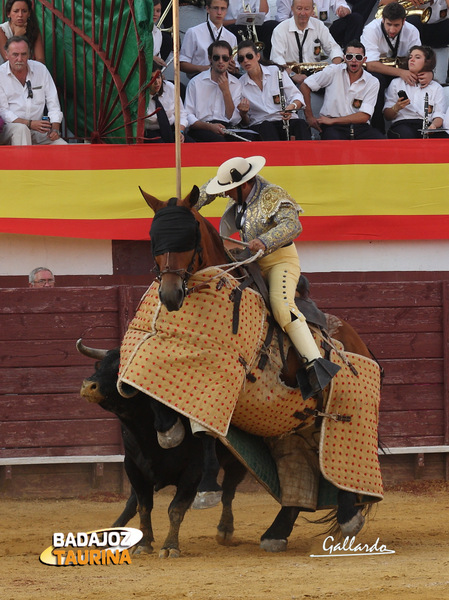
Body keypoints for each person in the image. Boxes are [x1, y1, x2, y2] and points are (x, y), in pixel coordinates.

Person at [197, 155, 340, 400]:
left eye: (230, 191)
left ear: (244, 185)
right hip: (246, 260)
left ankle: (316, 365)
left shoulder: (272, 194)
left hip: (278, 261)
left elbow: (293, 225)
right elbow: (209, 191)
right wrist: (182, 205)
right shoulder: (237, 187)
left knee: (282, 306)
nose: (226, 195)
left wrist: (264, 241)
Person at [300, 39, 385, 139]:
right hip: (332, 127)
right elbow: (305, 85)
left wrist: (333, 120)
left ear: (364, 60)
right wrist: (309, 117)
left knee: (380, 141)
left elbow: (364, 116)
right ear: (344, 58)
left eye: (358, 57)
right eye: (349, 56)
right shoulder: (333, 71)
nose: (354, 60)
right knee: (334, 142)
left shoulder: (372, 81)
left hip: (359, 127)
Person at [360, 2, 422, 132]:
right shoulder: (371, 29)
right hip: (379, 71)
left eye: (396, 25)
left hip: (402, 69)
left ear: (404, 21)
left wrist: (428, 74)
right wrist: (401, 73)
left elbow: (419, 58)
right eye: (389, 24)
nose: (392, 30)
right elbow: (371, 65)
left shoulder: (412, 31)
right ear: (382, 19)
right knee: (375, 80)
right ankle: (377, 129)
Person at [236, 40, 311, 140]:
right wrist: (243, 113)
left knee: (301, 124)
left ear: (258, 56)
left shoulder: (276, 71)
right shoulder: (240, 84)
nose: (245, 60)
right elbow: (246, 122)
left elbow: (296, 96)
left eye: (249, 56)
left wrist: (291, 107)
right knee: (267, 127)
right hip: (261, 124)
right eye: (241, 59)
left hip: (284, 120)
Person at [0, 36, 67, 145]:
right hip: (11, 129)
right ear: (6, 55)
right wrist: (29, 123)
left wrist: (55, 128)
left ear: (29, 55)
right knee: (21, 129)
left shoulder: (40, 69)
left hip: (38, 129)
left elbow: (53, 102)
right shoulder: (1, 74)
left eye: (23, 54)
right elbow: (3, 111)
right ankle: (24, 162)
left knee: (62, 147)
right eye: (15, 54)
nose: (19, 59)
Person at [270, 0, 344, 86]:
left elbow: (334, 48)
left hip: (315, 75)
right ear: (292, 9)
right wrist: (293, 75)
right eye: (299, 8)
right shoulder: (280, 29)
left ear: (312, 10)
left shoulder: (319, 25)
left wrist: (334, 69)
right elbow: (276, 59)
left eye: (307, 9)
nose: (303, 13)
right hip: (289, 76)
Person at [383, 45, 448, 138]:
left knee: (444, 139)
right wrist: (396, 107)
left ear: (427, 62)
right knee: (407, 135)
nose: (412, 60)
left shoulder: (436, 87)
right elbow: (387, 116)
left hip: (426, 125)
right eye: (410, 57)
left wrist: (434, 126)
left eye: (417, 57)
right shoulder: (396, 83)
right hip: (403, 123)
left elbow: (439, 115)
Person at [184, 40, 243, 141]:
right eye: (216, 57)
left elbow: (235, 119)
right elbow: (188, 116)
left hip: (227, 127)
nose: (221, 61)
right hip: (202, 127)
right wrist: (209, 127)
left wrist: (226, 92)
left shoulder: (236, 83)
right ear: (210, 59)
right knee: (218, 141)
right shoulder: (195, 82)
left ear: (230, 59)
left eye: (225, 58)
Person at [179, 0, 237, 77]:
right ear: (207, 9)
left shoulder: (232, 37)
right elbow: (181, 64)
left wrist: (233, 69)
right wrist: (201, 68)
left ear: (226, 10)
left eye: (223, 8)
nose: (219, 12)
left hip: (224, 81)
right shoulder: (193, 32)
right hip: (199, 80)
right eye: (215, 8)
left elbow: (236, 67)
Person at [276, 0, 364, 48]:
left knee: (355, 18)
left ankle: (349, 55)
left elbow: (340, 3)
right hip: (299, 32)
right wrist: (302, 18)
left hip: (325, 30)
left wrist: (344, 10)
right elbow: (282, 19)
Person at [145, 66, 193, 143]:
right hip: (151, 133)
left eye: (158, 77)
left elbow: (182, 113)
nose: (157, 82)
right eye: (152, 79)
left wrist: (180, 131)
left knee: (192, 146)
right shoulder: (139, 96)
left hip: (172, 129)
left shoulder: (170, 87)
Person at [0, 0, 44, 65]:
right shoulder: (2, 30)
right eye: (16, 11)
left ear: (29, 14)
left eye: (24, 11)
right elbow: (7, 58)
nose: (20, 15)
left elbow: (40, 59)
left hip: (27, 70)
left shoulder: (33, 30)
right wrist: (17, 36)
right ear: (8, 14)